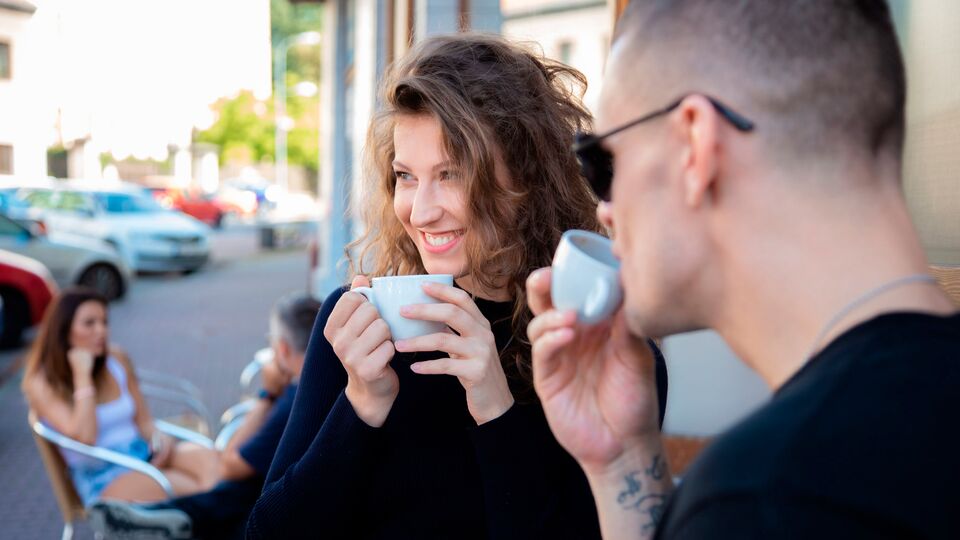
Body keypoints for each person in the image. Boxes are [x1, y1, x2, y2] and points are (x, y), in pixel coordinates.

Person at [526, 0, 960, 538]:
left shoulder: (767, 497)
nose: (603, 210)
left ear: (694, 145)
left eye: (603, 161)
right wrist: (621, 464)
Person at [246, 34, 669, 539]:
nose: (420, 212)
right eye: (405, 176)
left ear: (528, 178)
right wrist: (360, 406)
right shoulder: (360, 326)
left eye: (451, 174)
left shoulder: (598, 350)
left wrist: (495, 409)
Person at [88, 292, 322, 540]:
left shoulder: (295, 398)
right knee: (225, 487)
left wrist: (267, 394)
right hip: (294, 500)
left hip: (271, 515)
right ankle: (167, 516)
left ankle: (168, 517)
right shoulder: (323, 386)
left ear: (282, 349)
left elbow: (232, 464)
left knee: (230, 485)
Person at [22, 288, 220, 506]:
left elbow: (143, 421)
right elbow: (86, 437)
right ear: (64, 330)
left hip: (143, 455)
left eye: (104, 322)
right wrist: (82, 376)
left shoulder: (115, 358)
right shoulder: (42, 382)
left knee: (214, 463)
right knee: (199, 491)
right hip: (103, 476)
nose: (101, 330)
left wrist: (160, 438)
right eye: (89, 323)